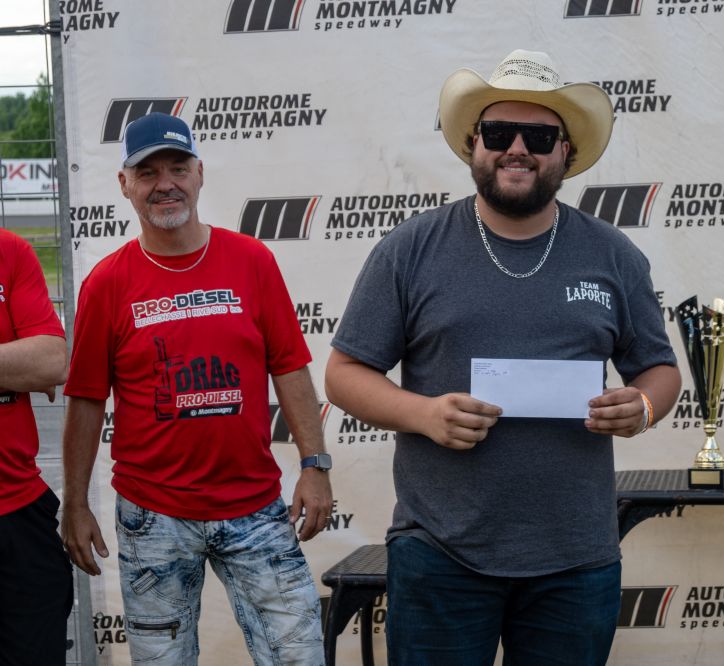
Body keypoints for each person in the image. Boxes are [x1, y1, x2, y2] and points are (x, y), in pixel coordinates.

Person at [325, 49, 681, 665]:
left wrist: (643, 406)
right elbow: (343, 374)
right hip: (440, 551)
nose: (518, 148)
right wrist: (424, 414)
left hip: (575, 558)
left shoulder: (613, 254)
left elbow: (661, 369)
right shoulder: (410, 249)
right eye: (499, 133)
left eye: (539, 136)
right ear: (473, 144)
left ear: (565, 152)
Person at [60, 112, 332, 664]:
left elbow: (290, 367)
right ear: (125, 185)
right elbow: (86, 399)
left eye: (178, 168)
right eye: (148, 173)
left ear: (200, 174)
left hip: (254, 508)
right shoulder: (106, 283)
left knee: (300, 656)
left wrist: (315, 464)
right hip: (152, 515)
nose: (165, 184)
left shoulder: (252, 260)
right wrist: (75, 503)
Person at [0, 229, 71, 666]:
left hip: (17, 513)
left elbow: (50, 361)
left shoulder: (9, 250)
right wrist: (12, 365)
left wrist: (32, 364)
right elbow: (30, 363)